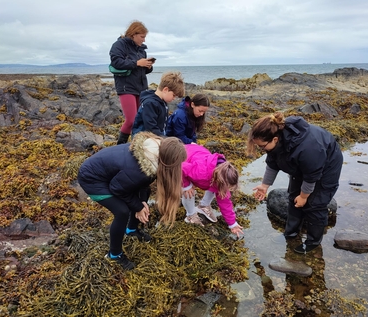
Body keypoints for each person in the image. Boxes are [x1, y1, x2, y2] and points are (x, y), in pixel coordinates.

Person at [77, 132, 187, 270]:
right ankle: (114, 255)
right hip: (91, 179)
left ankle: (131, 229)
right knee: (122, 211)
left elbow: (139, 184)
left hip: (112, 177)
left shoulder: (152, 153)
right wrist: (137, 207)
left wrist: (140, 202)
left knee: (144, 192)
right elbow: (117, 189)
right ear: (168, 161)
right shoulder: (139, 171)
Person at [246, 112, 343, 254]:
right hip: (303, 164)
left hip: (327, 164)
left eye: (262, 146)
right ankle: (291, 234)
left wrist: (304, 197)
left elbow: (311, 176)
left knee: (315, 204)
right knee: (293, 198)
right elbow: (273, 163)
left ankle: (313, 242)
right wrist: (265, 185)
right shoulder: (276, 139)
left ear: (275, 139)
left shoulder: (307, 148)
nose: (261, 150)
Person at [181, 144, 244, 237]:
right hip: (183, 156)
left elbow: (225, 202)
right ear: (219, 181)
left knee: (216, 189)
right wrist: (187, 185)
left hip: (200, 159)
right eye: (227, 188)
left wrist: (232, 224)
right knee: (189, 191)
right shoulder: (200, 172)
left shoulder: (222, 175)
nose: (227, 190)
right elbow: (180, 167)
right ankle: (191, 215)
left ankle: (203, 206)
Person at [109, 20, 156, 145]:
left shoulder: (141, 50)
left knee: (139, 120)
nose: (144, 40)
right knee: (131, 120)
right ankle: (120, 145)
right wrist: (137, 63)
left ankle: (135, 146)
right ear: (133, 34)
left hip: (140, 88)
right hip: (126, 86)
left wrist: (148, 66)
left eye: (145, 37)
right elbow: (116, 62)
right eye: (142, 37)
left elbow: (141, 71)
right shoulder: (119, 45)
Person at [131, 71, 185, 137]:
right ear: (165, 90)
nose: (174, 98)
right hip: (143, 138)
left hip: (157, 134)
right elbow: (151, 128)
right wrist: (164, 139)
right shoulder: (150, 103)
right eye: (173, 95)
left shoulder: (163, 101)